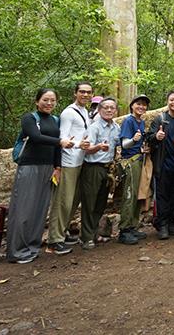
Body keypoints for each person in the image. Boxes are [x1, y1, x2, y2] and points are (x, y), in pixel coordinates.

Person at [7, 88, 72, 263]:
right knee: (24, 209)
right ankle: (17, 251)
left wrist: (57, 167)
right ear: (37, 101)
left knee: (40, 209)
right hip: (29, 166)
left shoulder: (55, 120)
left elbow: (58, 147)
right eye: (45, 100)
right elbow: (35, 137)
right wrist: (60, 141)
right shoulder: (29, 118)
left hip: (48, 168)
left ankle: (32, 247)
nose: (49, 103)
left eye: (52, 100)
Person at [46, 82, 92, 254]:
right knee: (62, 201)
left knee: (73, 200)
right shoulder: (68, 113)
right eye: (82, 92)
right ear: (75, 93)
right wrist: (78, 144)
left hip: (80, 161)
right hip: (67, 162)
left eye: (88, 92)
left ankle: (62, 232)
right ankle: (54, 241)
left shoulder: (85, 112)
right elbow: (63, 138)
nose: (85, 95)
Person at [79, 97, 120, 250]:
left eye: (112, 108)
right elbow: (86, 148)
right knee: (89, 203)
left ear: (115, 110)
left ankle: (94, 233)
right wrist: (98, 147)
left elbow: (118, 145)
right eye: (105, 107)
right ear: (99, 110)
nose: (109, 110)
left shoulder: (116, 127)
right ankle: (86, 237)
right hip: (93, 168)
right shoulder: (94, 127)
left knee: (101, 203)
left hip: (107, 169)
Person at [147, 90, 174, 240]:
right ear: (167, 101)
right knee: (162, 195)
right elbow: (149, 137)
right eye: (172, 100)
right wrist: (156, 136)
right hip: (163, 164)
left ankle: (171, 221)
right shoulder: (160, 119)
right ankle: (162, 224)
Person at [118, 94, 150, 245]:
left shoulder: (141, 122)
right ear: (132, 106)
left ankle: (132, 226)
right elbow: (124, 144)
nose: (141, 107)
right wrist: (134, 140)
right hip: (130, 162)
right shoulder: (128, 121)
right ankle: (124, 230)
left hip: (139, 159)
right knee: (129, 195)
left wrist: (142, 148)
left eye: (144, 105)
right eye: (138, 104)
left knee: (138, 194)